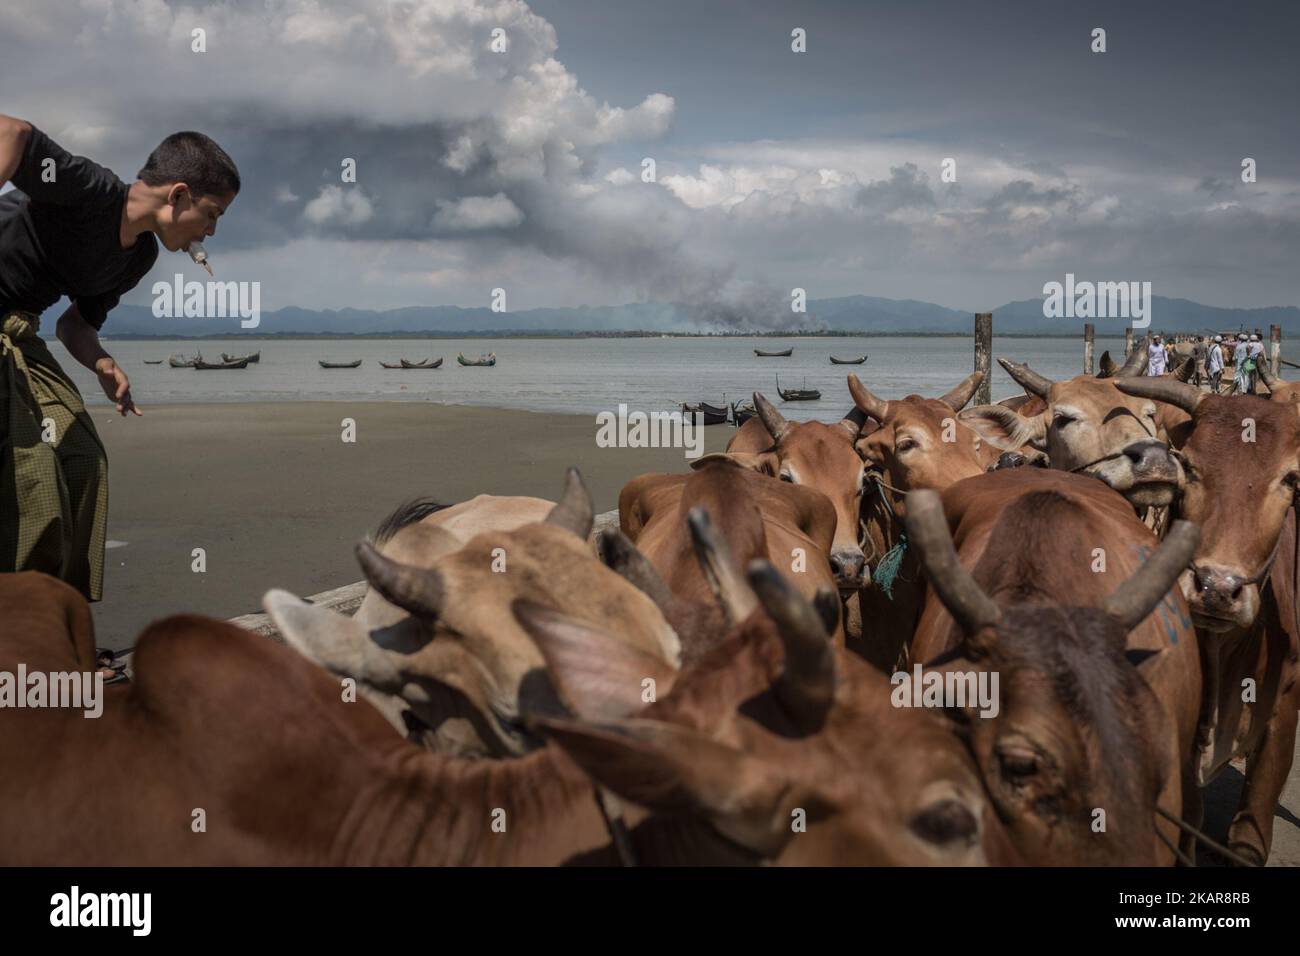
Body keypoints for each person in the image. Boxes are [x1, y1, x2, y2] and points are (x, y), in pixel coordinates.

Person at [1, 116, 239, 605]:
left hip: (19, 333)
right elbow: (12, 132)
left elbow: (75, 325)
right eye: (212, 214)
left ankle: (59, 617)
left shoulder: (138, 259)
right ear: (177, 196)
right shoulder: (92, 191)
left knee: (84, 460)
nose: (211, 231)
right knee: (34, 474)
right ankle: (21, 629)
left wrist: (104, 365)